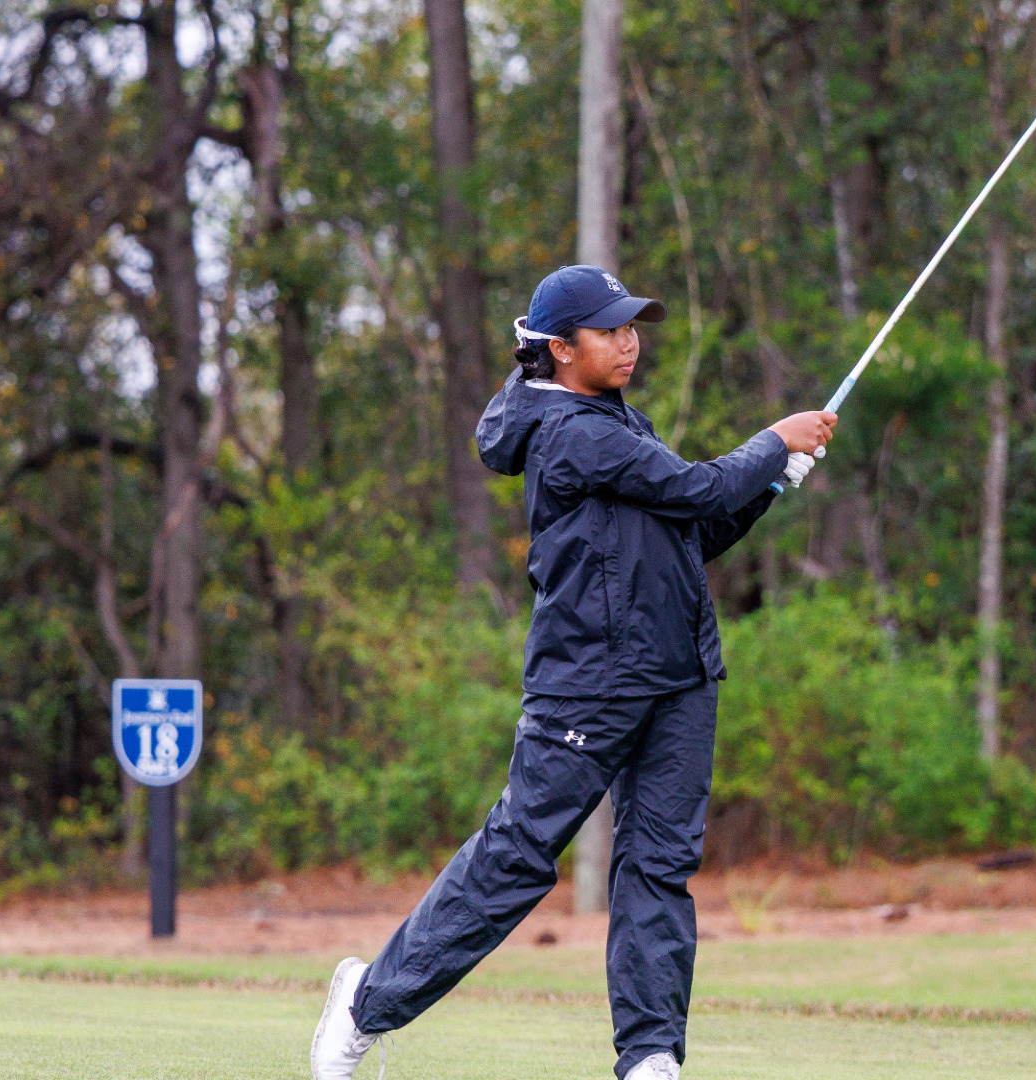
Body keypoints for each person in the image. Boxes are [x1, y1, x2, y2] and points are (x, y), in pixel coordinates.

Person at [311, 265, 836, 1080]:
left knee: (659, 866)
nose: (630, 342)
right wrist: (774, 441)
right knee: (520, 855)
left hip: (678, 679)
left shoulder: (623, 422)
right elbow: (693, 486)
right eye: (610, 330)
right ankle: (366, 1003)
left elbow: (688, 533)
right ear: (560, 349)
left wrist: (766, 483)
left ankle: (651, 1056)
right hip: (588, 683)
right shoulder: (569, 432)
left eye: (633, 327)